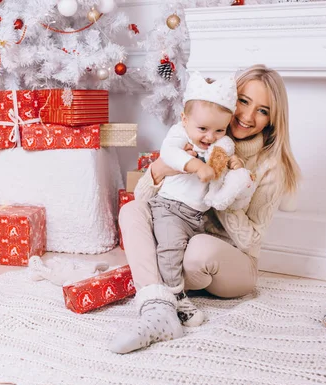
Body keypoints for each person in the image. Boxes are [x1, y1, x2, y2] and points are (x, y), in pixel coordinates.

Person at [109, 64, 300, 354]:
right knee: (132, 211)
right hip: (183, 239)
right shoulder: (199, 135)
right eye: (244, 102)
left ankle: (156, 280)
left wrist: (224, 192)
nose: (248, 116)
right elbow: (145, 197)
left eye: (263, 110)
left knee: (198, 250)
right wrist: (163, 169)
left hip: (230, 262)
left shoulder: (270, 166)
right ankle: (158, 311)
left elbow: (251, 239)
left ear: (273, 119)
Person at [148, 71, 241, 328]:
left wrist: (232, 163)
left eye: (219, 129)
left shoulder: (220, 143)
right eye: (203, 129)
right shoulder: (180, 134)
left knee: (185, 257)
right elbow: (168, 153)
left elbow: (223, 163)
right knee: (170, 250)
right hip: (170, 209)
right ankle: (175, 296)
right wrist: (195, 166)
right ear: (184, 119)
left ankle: (176, 286)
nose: (210, 136)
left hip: (196, 216)